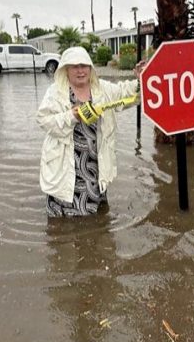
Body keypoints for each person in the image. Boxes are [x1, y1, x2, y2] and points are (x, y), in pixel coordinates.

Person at [37, 46, 145, 217]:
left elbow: (126, 93)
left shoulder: (102, 89)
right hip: (67, 166)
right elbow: (43, 120)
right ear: (66, 69)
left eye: (84, 65)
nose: (80, 71)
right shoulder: (55, 93)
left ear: (90, 68)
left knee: (96, 220)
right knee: (63, 226)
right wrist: (71, 116)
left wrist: (142, 80)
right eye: (74, 66)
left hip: (94, 166)